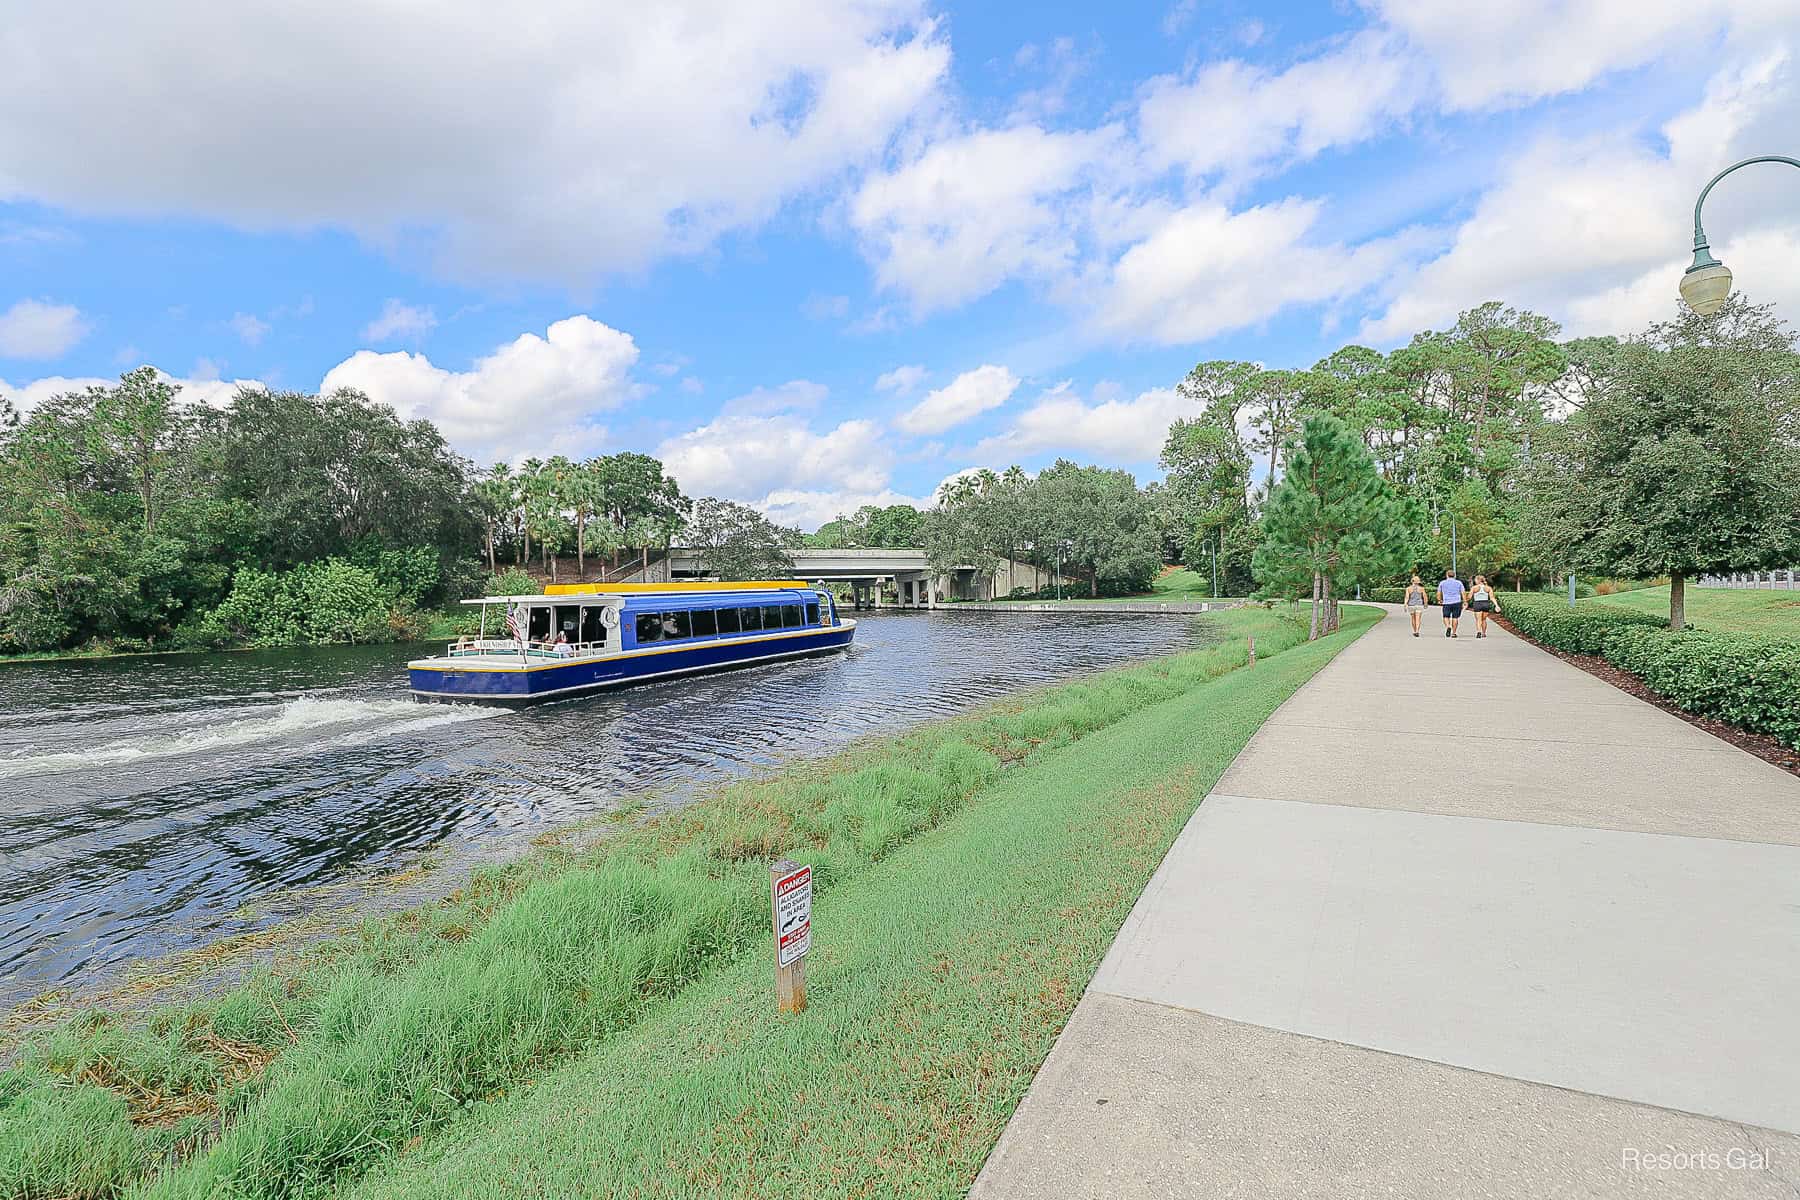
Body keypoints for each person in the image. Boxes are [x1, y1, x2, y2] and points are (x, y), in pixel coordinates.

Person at [1437, 569, 1465, 638]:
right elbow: (1463, 592)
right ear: (1454, 575)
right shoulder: (1459, 583)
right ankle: (1454, 633)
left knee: (1446, 616)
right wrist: (1465, 601)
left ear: (1447, 575)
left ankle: (1448, 626)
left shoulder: (1442, 583)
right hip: (1457, 602)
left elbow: (1439, 593)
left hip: (1446, 602)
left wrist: (1439, 599)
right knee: (1455, 617)